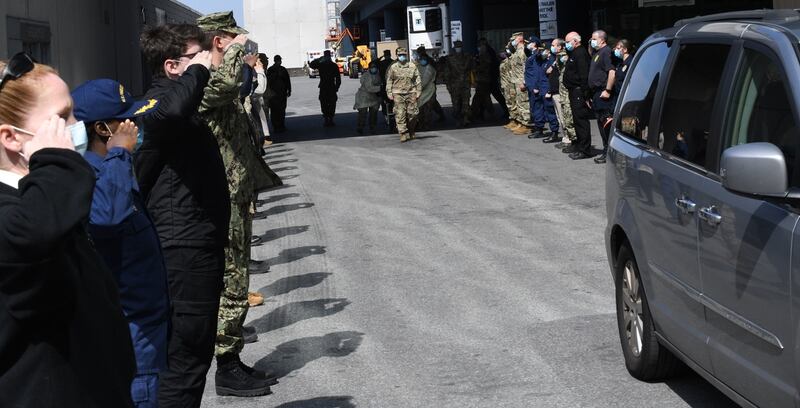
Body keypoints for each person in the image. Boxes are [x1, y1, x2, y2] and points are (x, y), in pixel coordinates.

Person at [0, 53, 136, 407]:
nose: (77, 124)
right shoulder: (30, 209)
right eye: (62, 117)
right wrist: (58, 162)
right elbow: (31, 236)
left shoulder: (46, 197)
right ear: (12, 137)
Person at [137, 24, 230, 408]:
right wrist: (200, 69)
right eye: (197, 55)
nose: (208, 60)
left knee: (191, 356)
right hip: (183, 249)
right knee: (185, 359)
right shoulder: (160, 105)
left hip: (195, 243)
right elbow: (172, 111)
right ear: (173, 66)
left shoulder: (178, 105)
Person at [71, 79, 169, 408]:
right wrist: (119, 154)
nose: (135, 127)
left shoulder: (114, 168)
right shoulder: (96, 172)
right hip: (131, 334)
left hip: (148, 324)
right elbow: (108, 217)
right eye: (126, 121)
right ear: (102, 128)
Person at [562, 31, 592, 160]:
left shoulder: (580, 53)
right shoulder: (573, 53)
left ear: (575, 41)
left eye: (568, 42)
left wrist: (585, 94)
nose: (566, 45)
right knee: (576, 120)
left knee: (581, 121)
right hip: (573, 91)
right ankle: (580, 145)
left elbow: (584, 75)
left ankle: (585, 150)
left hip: (579, 91)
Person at [588, 30, 616, 164]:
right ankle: (606, 149)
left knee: (606, 123)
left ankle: (608, 152)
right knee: (600, 122)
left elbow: (611, 72)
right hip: (596, 93)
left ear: (602, 40)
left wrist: (608, 90)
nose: (591, 41)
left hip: (603, 92)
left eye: (594, 39)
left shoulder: (606, 52)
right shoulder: (597, 52)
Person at [386, 48, 421, 143]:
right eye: (400, 55)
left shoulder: (412, 66)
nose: (402, 56)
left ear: (406, 55)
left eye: (403, 55)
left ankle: (411, 130)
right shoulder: (393, 67)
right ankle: (402, 133)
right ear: (397, 56)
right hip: (398, 93)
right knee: (400, 113)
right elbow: (389, 80)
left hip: (411, 92)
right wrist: (389, 92)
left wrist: (418, 91)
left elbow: (417, 79)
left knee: (413, 114)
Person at [550, 38, 576, 147]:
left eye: (553, 45)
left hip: (562, 92)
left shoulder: (563, 56)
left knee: (565, 116)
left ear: (560, 47)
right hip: (557, 90)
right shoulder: (556, 57)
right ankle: (566, 137)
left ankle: (569, 138)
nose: (551, 47)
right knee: (560, 117)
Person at [444, 40, 474, 127]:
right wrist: (448, 86)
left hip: (465, 84)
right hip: (454, 86)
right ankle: (458, 120)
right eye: (457, 47)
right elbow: (447, 73)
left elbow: (473, 68)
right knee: (456, 104)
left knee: (466, 102)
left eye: (459, 47)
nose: (458, 48)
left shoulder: (468, 57)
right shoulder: (450, 58)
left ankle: (465, 119)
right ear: (454, 47)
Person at [309, 50, 341, 126]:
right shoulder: (333, 65)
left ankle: (327, 119)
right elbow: (338, 79)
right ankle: (329, 119)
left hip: (325, 87)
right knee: (330, 103)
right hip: (330, 87)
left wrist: (319, 59)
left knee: (325, 103)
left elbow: (311, 65)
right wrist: (336, 87)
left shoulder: (322, 64)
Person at [509, 32, 531, 135]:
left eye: (513, 39)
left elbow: (526, 68)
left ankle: (527, 125)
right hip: (516, 81)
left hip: (521, 81)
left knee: (524, 104)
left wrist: (524, 82)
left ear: (518, 39)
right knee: (519, 104)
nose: (512, 42)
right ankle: (521, 123)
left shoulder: (523, 51)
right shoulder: (516, 51)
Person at [353, 61, 382, 134]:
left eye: (374, 67)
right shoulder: (366, 76)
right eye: (372, 67)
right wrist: (380, 88)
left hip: (374, 97)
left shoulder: (378, 75)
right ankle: (360, 127)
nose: (373, 68)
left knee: (373, 114)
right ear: (369, 68)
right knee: (363, 113)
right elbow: (369, 88)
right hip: (364, 97)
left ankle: (372, 127)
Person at [266, 54, 291, 133]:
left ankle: (281, 125)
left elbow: (287, 80)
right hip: (274, 94)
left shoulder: (283, 69)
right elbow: (268, 81)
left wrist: (289, 90)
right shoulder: (271, 70)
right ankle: (276, 126)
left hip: (282, 93)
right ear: (275, 61)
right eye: (278, 60)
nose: (279, 62)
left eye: (280, 60)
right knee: (274, 110)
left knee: (282, 110)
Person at [416, 55, 438, 130]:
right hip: (420, 93)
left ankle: (426, 125)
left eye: (424, 59)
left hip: (429, 91)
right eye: (421, 59)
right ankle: (421, 124)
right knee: (420, 110)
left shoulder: (429, 68)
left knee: (428, 110)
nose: (422, 61)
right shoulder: (418, 67)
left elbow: (425, 81)